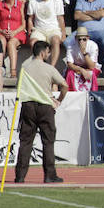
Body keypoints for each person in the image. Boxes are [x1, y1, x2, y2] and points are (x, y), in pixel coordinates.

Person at [14, 40, 68, 184]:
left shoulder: (24, 67)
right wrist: (59, 101)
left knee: (25, 142)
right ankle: (49, 175)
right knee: (48, 142)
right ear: (43, 52)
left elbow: (19, 85)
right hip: (45, 106)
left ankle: (20, 176)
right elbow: (64, 85)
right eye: (48, 52)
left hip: (28, 105)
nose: (49, 54)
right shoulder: (48, 68)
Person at [26, 0, 66, 67]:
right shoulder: (33, 1)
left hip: (54, 29)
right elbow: (30, 18)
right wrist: (30, 31)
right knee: (33, 42)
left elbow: (60, 18)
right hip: (39, 30)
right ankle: (41, 65)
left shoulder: (57, 0)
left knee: (56, 41)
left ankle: (52, 67)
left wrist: (63, 34)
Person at [0, 0, 27, 78]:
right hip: (2, 31)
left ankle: (13, 71)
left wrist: (14, 32)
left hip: (17, 32)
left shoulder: (20, 5)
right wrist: (1, 31)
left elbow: (24, 24)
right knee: (1, 41)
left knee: (11, 43)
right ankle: (0, 65)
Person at [74, 0, 104, 67]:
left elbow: (101, 14)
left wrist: (86, 12)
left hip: (100, 31)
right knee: (72, 42)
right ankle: (85, 65)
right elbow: (77, 16)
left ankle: (101, 65)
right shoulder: (80, 0)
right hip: (83, 31)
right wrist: (95, 14)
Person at [64, 26, 100, 92]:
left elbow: (92, 66)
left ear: (88, 38)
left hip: (89, 66)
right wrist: (82, 70)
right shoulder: (70, 46)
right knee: (70, 73)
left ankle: (92, 93)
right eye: (79, 39)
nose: (81, 41)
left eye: (84, 39)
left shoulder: (93, 45)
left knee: (92, 73)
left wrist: (84, 52)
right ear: (75, 38)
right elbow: (70, 64)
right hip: (76, 67)